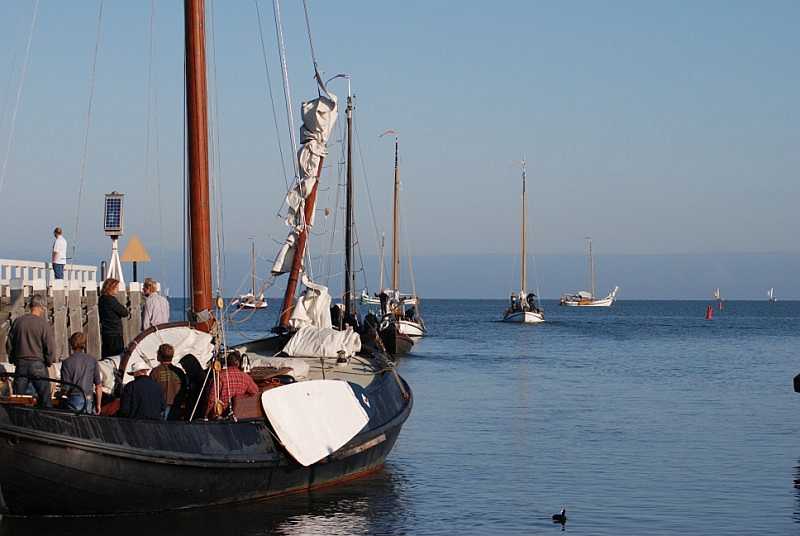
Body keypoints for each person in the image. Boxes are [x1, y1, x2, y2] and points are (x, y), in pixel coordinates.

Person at [6, 294, 56, 407]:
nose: (43, 311)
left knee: (18, 399)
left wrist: (13, 359)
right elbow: (50, 347)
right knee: (45, 399)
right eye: (43, 308)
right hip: (38, 364)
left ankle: (17, 422)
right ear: (40, 306)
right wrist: (49, 361)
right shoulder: (43, 324)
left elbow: (9, 344)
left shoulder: (18, 322)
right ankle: (46, 421)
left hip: (21, 364)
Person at [206, 351, 259, 418]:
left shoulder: (220, 376)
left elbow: (211, 399)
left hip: (221, 414)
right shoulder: (245, 377)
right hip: (238, 414)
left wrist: (206, 415)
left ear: (227, 362)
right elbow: (255, 392)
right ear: (239, 363)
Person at [60, 332, 102, 414]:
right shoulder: (92, 360)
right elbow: (98, 386)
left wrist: (60, 394)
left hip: (74, 399)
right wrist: (98, 405)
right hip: (89, 399)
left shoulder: (66, 362)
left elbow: (65, 388)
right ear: (84, 344)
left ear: (71, 344)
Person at [149, 343, 186, 420]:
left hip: (161, 406)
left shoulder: (155, 372)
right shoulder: (179, 372)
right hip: (177, 406)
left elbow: (150, 391)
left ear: (159, 355)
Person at [98, 278, 129, 358]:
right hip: (115, 333)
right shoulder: (111, 300)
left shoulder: (101, 299)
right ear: (111, 288)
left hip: (106, 332)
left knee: (106, 356)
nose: (118, 290)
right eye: (116, 288)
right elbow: (124, 312)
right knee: (116, 357)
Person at [179, 354, 208, 420]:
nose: (185, 369)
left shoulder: (201, 378)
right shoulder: (190, 376)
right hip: (190, 407)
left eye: (185, 367)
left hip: (198, 408)